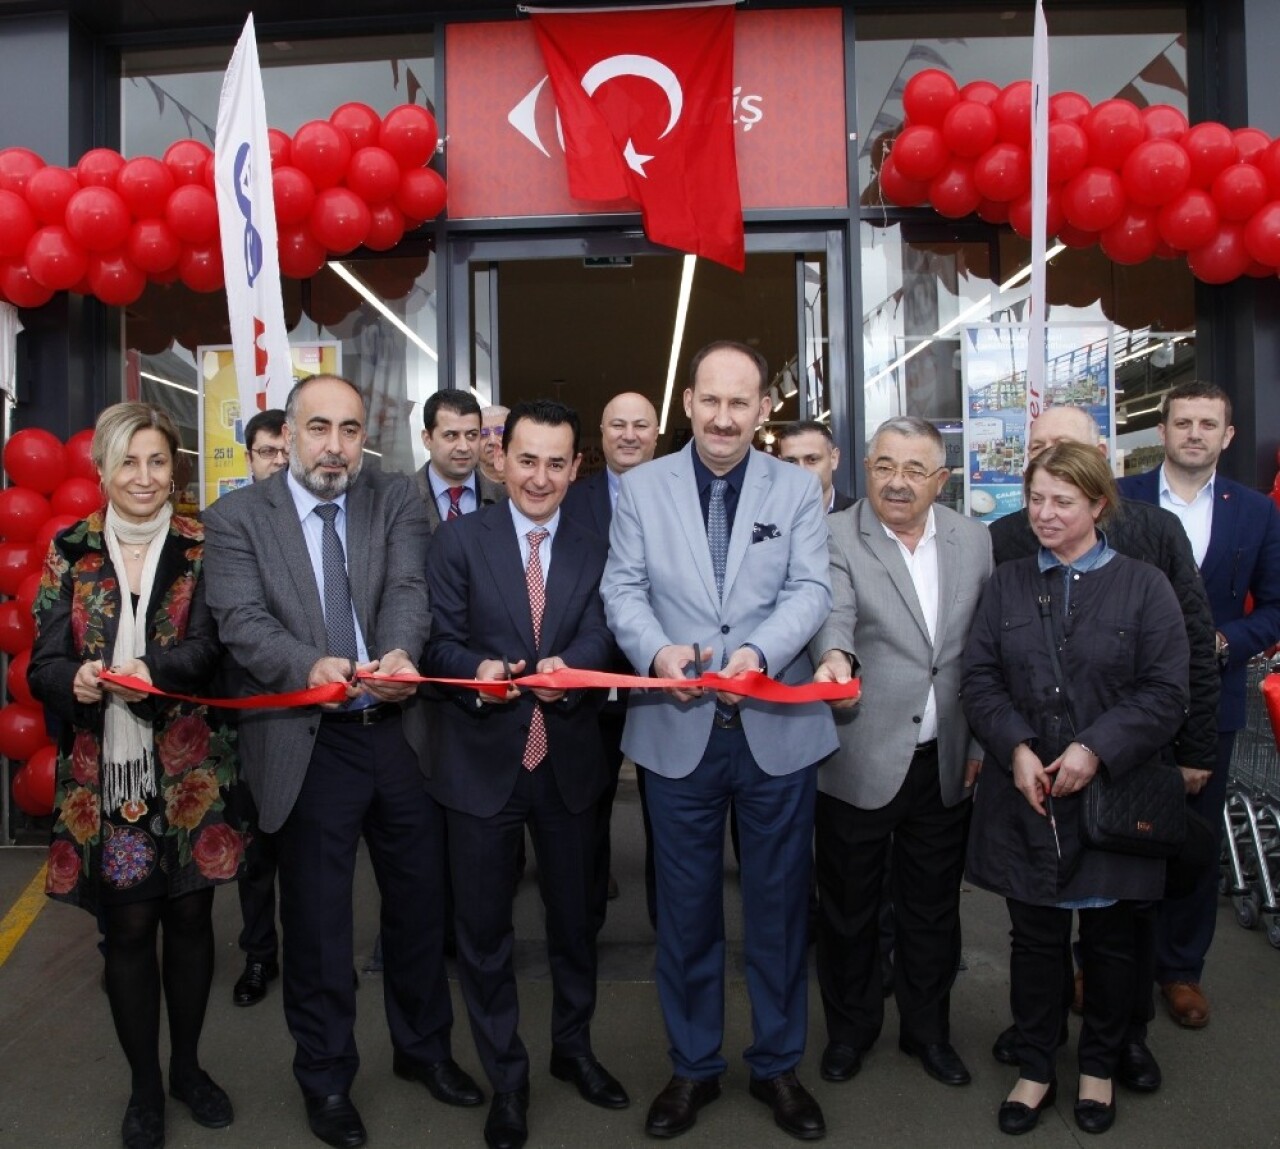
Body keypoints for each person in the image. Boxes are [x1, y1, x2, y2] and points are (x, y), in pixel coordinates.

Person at [202, 374, 481, 1149]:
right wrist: (307, 666)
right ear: (287, 434)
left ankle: (423, 1049)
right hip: (309, 738)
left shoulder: (391, 500)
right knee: (321, 927)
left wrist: (398, 651)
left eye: (351, 429)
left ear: (368, 436)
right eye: (319, 427)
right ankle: (325, 1077)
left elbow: (407, 586)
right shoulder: (235, 519)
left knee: (421, 908)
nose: (335, 445)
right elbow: (242, 623)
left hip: (395, 732)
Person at [601, 340, 836, 1142]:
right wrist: (657, 653)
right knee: (688, 912)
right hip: (677, 732)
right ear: (689, 403)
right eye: (711, 401)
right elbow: (622, 588)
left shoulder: (797, 487)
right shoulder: (640, 487)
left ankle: (778, 1065)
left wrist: (761, 655)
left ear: (763, 407)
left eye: (742, 403)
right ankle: (693, 1065)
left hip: (776, 729)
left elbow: (811, 588)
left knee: (776, 912)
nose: (725, 417)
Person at [30, 402, 244, 1149]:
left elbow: (214, 647)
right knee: (128, 926)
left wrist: (144, 671)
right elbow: (42, 662)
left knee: (189, 917)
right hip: (106, 778)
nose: (144, 477)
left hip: (190, 769)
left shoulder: (206, 545)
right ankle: (145, 1087)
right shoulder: (71, 548)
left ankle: (188, 1067)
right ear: (102, 471)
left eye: (157, 461)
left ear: (174, 467)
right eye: (129, 462)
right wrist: (77, 682)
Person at [987, 403, 1219, 1091]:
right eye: (1037, 454)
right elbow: (989, 656)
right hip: (1037, 761)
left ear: (1101, 462)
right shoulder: (1005, 542)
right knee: (1039, 913)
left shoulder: (1154, 535)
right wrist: (1008, 745)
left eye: (1065, 450)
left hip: (1129, 761)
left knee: (1126, 917)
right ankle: (1042, 1033)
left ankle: (1124, 1041)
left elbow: (1191, 653)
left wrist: (1195, 751)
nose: (1048, 473)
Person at [425, 399, 628, 1149]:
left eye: (557, 462)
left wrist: (577, 664)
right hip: (481, 765)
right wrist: (474, 667)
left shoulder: (597, 543)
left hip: (571, 762)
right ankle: (507, 1077)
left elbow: (610, 629)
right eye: (527, 458)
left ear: (577, 468)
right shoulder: (458, 542)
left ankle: (573, 1048)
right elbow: (435, 640)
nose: (540, 476)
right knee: (484, 935)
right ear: (499, 457)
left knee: (576, 925)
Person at [808, 416, 991, 1091]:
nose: (898, 482)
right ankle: (850, 1032)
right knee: (849, 908)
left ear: (942, 479)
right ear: (865, 466)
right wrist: (834, 656)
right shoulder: (833, 536)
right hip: (859, 754)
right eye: (885, 465)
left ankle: (928, 1030)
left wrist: (975, 742)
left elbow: (979, 653)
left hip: (945, 757)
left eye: (916, 470)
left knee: (934, 907)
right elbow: (835, 613)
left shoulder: (973, 540)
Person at [1118, 381, 1280, 1029]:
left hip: (1210, 699)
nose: (1193, 433)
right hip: (1123, 698)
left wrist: (1226, 638)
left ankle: (1181, 969)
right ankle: (1103, 960)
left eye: (1207, 423)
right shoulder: (1122, 499)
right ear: (1162, 430)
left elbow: (1274, 607)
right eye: (1182, 421)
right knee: (1114, 832)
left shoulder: (1255, 513)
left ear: (1227, 435)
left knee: (1194, 840)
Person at [562, 390, 660, 928]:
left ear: (655, 432)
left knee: (666, 813)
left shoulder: (681, 494)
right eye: (617, 424)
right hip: (590, 679)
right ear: (601, 434)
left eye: (640, 425)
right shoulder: (572, 498)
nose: (628, 434)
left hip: (660, 682)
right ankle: (587, 919)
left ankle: (669, 926)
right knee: (588, 806)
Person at [231, 407, 289, 1008]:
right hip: (247, 716)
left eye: (283, 451)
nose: (277, 461)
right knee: (256, 852)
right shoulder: (233, 526)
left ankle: (311, 955)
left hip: (307, 715)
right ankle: (258, 955)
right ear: (248, 457)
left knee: (304, 851)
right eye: (265, 451)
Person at [415, 388, 504, 530]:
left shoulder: (505, 499)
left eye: (471, 435)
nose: (463, 447)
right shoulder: (399, 498)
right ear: (427, 439)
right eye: (451, 435)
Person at [777, 420, 853, 512]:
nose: (801, 470)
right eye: (791, 461)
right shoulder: (766, 516)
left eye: (812, 459)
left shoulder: (860, 518)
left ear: (834, 459)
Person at [479, 403, 510, 486]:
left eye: (500, 432)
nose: (492, 441)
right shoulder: (467, 482)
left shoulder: (531, 477)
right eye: (484, 434)